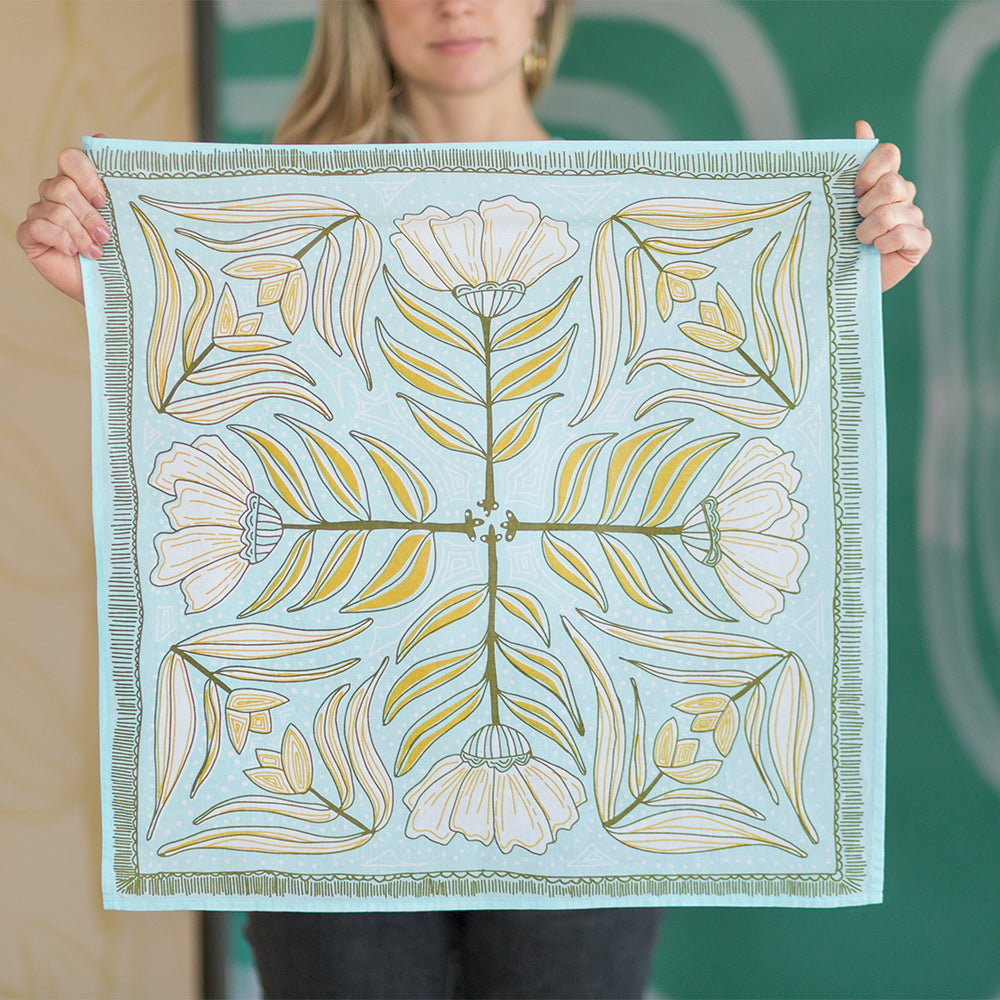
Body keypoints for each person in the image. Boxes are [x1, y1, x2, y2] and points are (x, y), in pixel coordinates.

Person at [15, 2, 931, 998]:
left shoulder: (650, 228)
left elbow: (706, 424)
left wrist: (834, 284)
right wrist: (114, 288)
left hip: (580, 752)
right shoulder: (277, 223)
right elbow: (233, 436)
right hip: (338, 748)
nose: (456, 1)